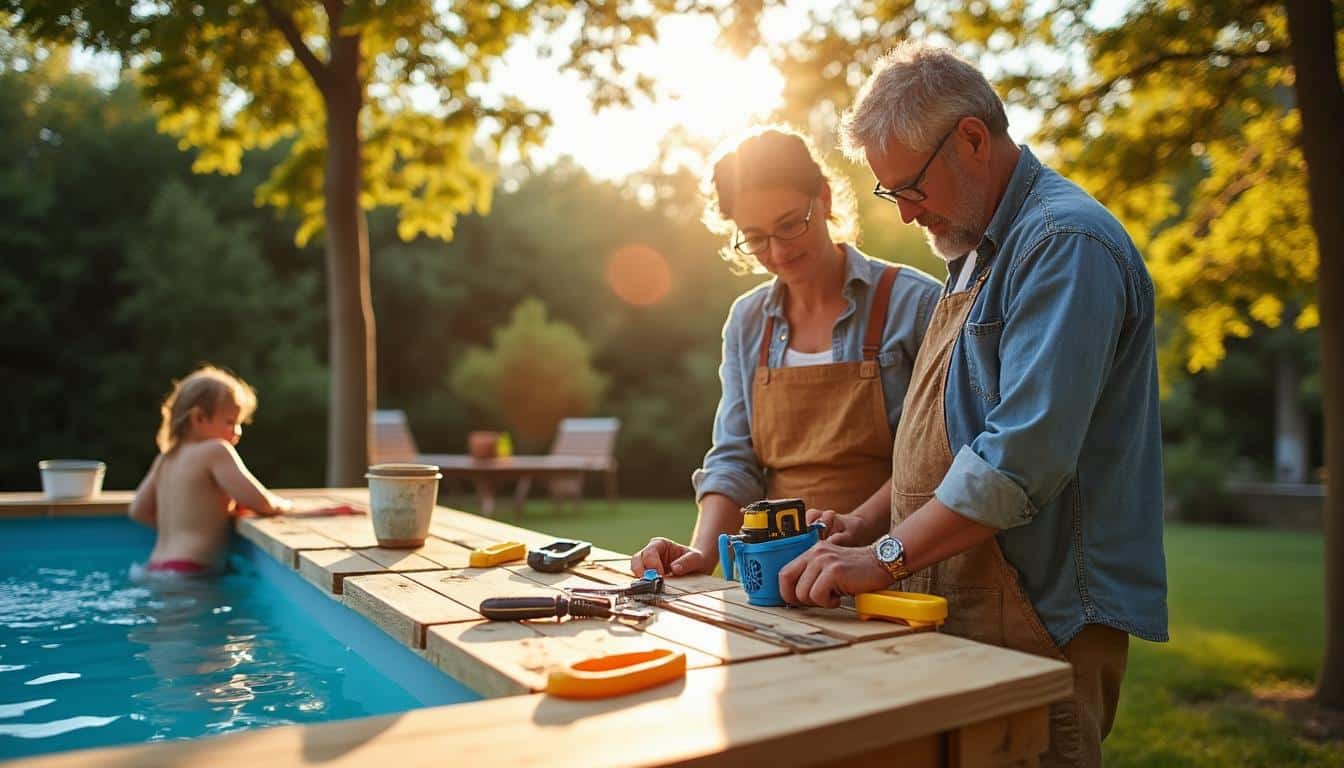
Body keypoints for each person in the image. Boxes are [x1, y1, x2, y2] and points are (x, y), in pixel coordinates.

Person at [776, 42, 1168, 767]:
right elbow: (952, 440)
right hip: (953, 606)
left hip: (1039, 618)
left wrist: (885, 558)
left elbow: (1019, 460)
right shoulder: (974, 252)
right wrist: (862, 526)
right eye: (891, 195)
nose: (906, 213)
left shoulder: (1062, 244)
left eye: (910, 188)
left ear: (973, 139)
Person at [630, 125, 941, 577]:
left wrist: (857, 526)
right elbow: (735, 457)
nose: (777, 251)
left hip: (891, 570)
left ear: (826, 198)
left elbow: (936, 455)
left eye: (790, 224)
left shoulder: (914, 303)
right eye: (755, 237)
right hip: (775, 576)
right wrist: (702, 550)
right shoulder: (747, 321)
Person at [129, 365, 293, 575]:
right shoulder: (215, 451)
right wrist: (287, 505)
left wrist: (188, 524)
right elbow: (261, 502)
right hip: (190, 570)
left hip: (154, 567)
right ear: (198, 418)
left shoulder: (166, 458)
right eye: (230, 422)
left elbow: (138, 511)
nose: (238, 432)